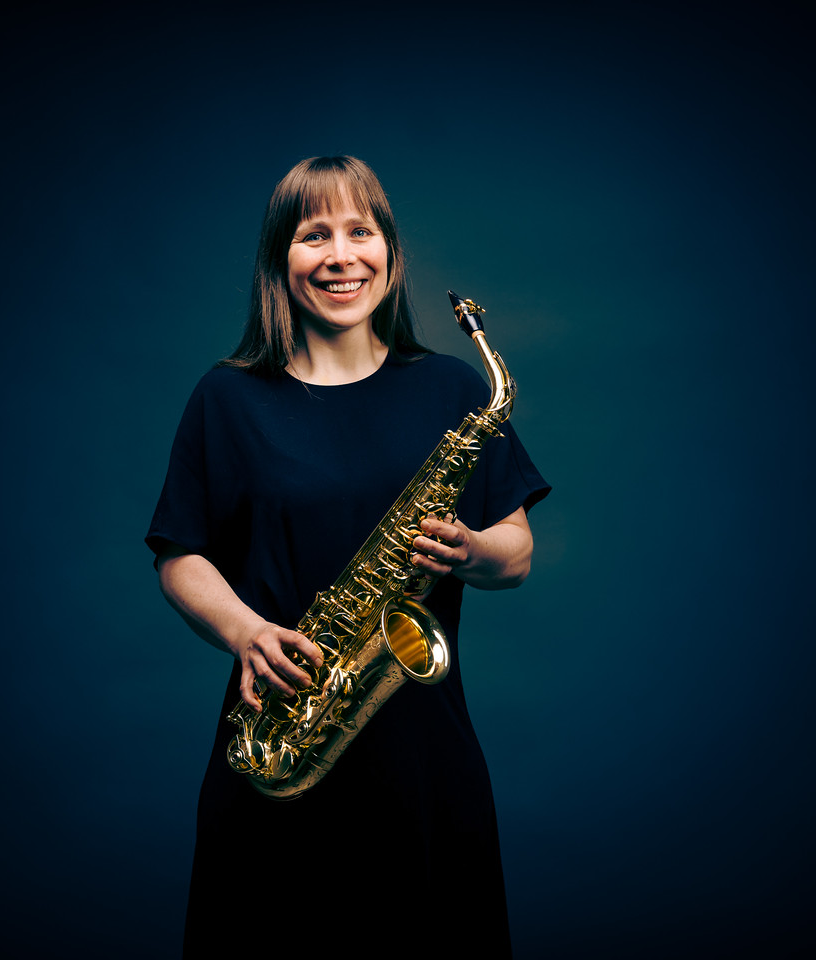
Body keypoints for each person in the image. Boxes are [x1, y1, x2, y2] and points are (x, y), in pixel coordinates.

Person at [145, 156, 549, 957]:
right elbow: (178, 555)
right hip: (280, 739)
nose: (341, 256)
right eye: (314, 235)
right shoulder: (226, 397)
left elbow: (517, 554)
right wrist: (245, 633)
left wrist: (469, 546)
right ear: (279, 259)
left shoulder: (452, 389)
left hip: (424, 760)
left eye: (360, 231)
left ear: (389, 251)